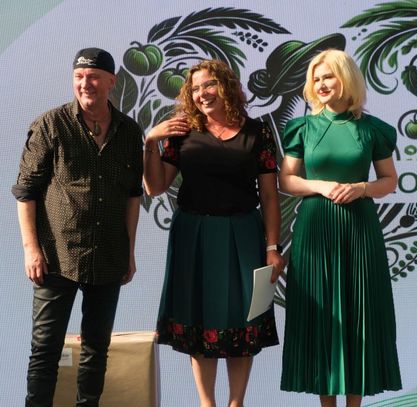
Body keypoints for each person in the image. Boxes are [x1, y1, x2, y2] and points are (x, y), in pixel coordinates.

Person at [143, 59, 284, 407]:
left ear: (226, 87)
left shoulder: (258, 132)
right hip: (194, 235)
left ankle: (236, 403)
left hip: (244, 235)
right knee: (199, 319)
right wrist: (150, 142)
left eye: (209, 85)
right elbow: (155, 187)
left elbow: (269, 195)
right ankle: (207, 404)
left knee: (243, 321)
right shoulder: (182, 132)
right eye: (195, 88)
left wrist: (272, 247)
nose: (202, 93)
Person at [12, 47, 143, 406]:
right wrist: (31, 250)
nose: (85, 83)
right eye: (79, 76)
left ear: (112, 81)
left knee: (96, 349)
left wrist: (130, 251)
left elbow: (133, 196)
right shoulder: (50, 125)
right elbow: (25, 193)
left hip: (109, 254)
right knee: (45, 349)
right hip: (56, 256)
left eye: (93, 76)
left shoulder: (130, 132)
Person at [279, 49, 402, 407]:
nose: (321, 84)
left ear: (346, 78)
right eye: (316, 79)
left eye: (328, 76)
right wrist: (319, 185)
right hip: (315, 230)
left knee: (358, 314)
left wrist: (361, 188)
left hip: (359, 232)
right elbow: (287, 180)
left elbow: (389, 180)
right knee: (322, 318)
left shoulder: (373, 129)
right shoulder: (303, 128)